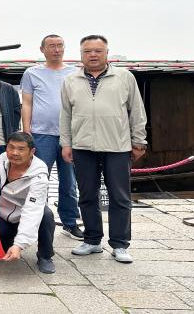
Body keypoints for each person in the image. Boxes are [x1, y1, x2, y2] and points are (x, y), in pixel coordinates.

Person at [60, 35, 147, 263]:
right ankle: (92, 240)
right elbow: (66, 115)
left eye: (98, 50)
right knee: (87, 195)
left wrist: (139, 140)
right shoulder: (71, 80)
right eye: (87, 51)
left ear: (107, 53)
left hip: (117, 145)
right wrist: (66, 143)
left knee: (120, 196)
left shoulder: (124, 77)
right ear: (81, 54)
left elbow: (137, 111)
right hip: (82, 146)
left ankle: (120, 244)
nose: (93, 55)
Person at [21, 34, 83, 240]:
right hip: (41, 134)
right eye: (51, 46)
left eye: (59, 45)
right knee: (39, 179)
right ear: (42, 49)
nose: (56, 49)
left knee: (69, 181)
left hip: (70, 135)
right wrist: (27, 129)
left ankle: (70, 222)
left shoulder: (75, 72)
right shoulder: (32, 73)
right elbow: (27, 102)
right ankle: (38, 220)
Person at [0, 132, 56, 274]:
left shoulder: (39, 175)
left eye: (21, 149)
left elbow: (32, 210)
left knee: (46, 214)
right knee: (1, 247)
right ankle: (10, 241)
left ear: (31, 151)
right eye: (11, 147)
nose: (15, 153)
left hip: (25, 212)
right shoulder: (3, 159)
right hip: (3, 212)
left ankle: (45, 256)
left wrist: (19, 244)